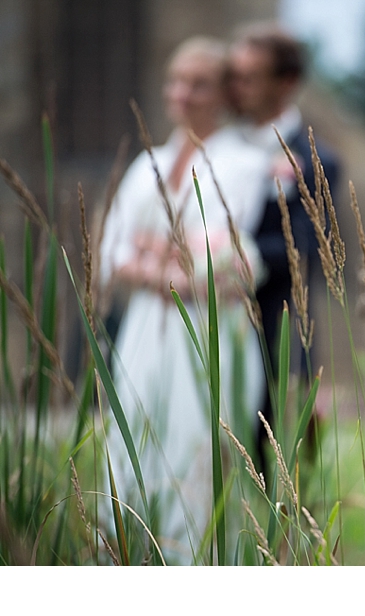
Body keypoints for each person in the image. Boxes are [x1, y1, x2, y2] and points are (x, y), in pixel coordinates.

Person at [99, 36, 269, 564]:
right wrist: (170, 263)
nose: (182, 93)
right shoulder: (149, 162)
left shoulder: (245, 163)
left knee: (196, 445)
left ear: (224, 93)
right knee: (131, 436)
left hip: (209, 329)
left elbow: (223, 257)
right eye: (176, 81)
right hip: (145, 327)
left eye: (198, 84)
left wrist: (155, 253)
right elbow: (111, 249)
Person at [227, 24, 340, 477]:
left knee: (270, 460)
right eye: (234, 76)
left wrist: (235, 258)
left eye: (250, 77)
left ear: (286, 82)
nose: (237, 87)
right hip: (206, 317)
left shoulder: (315, 160)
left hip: (275, 326)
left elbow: (310, 245)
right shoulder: (218, 149)